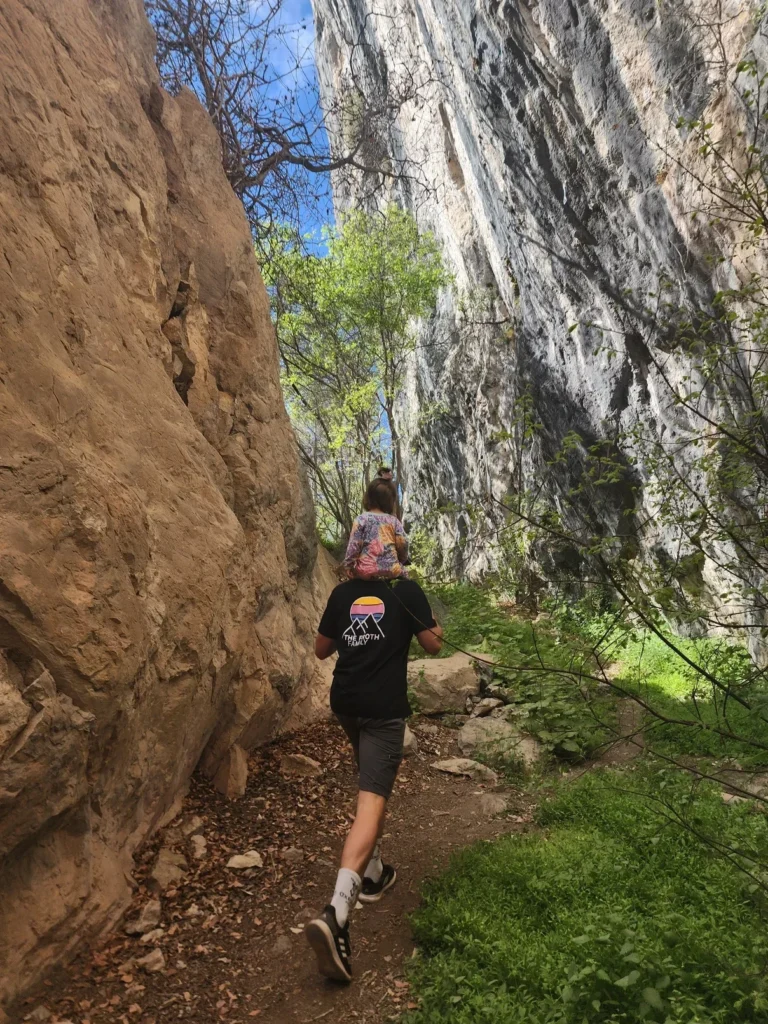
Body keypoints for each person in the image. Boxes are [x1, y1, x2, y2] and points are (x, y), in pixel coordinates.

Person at [305, 575, 443, 982]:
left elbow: (320, 650)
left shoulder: (343, 591)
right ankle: (337, 913)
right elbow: (433, 643)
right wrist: (433, 624)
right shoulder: (406, 590)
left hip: (346, 703)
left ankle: (374, 872)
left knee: (368, 779)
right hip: (383, 710)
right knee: (372, 798)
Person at [343, 478, 409, 580]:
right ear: (391, 501)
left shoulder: (361, 519)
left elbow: (354, 546)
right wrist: (401, 560)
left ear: (368, 497)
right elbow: (403, 543)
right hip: (392, 571)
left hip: (365, 572)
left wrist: (348, 566)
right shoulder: (394, 521)